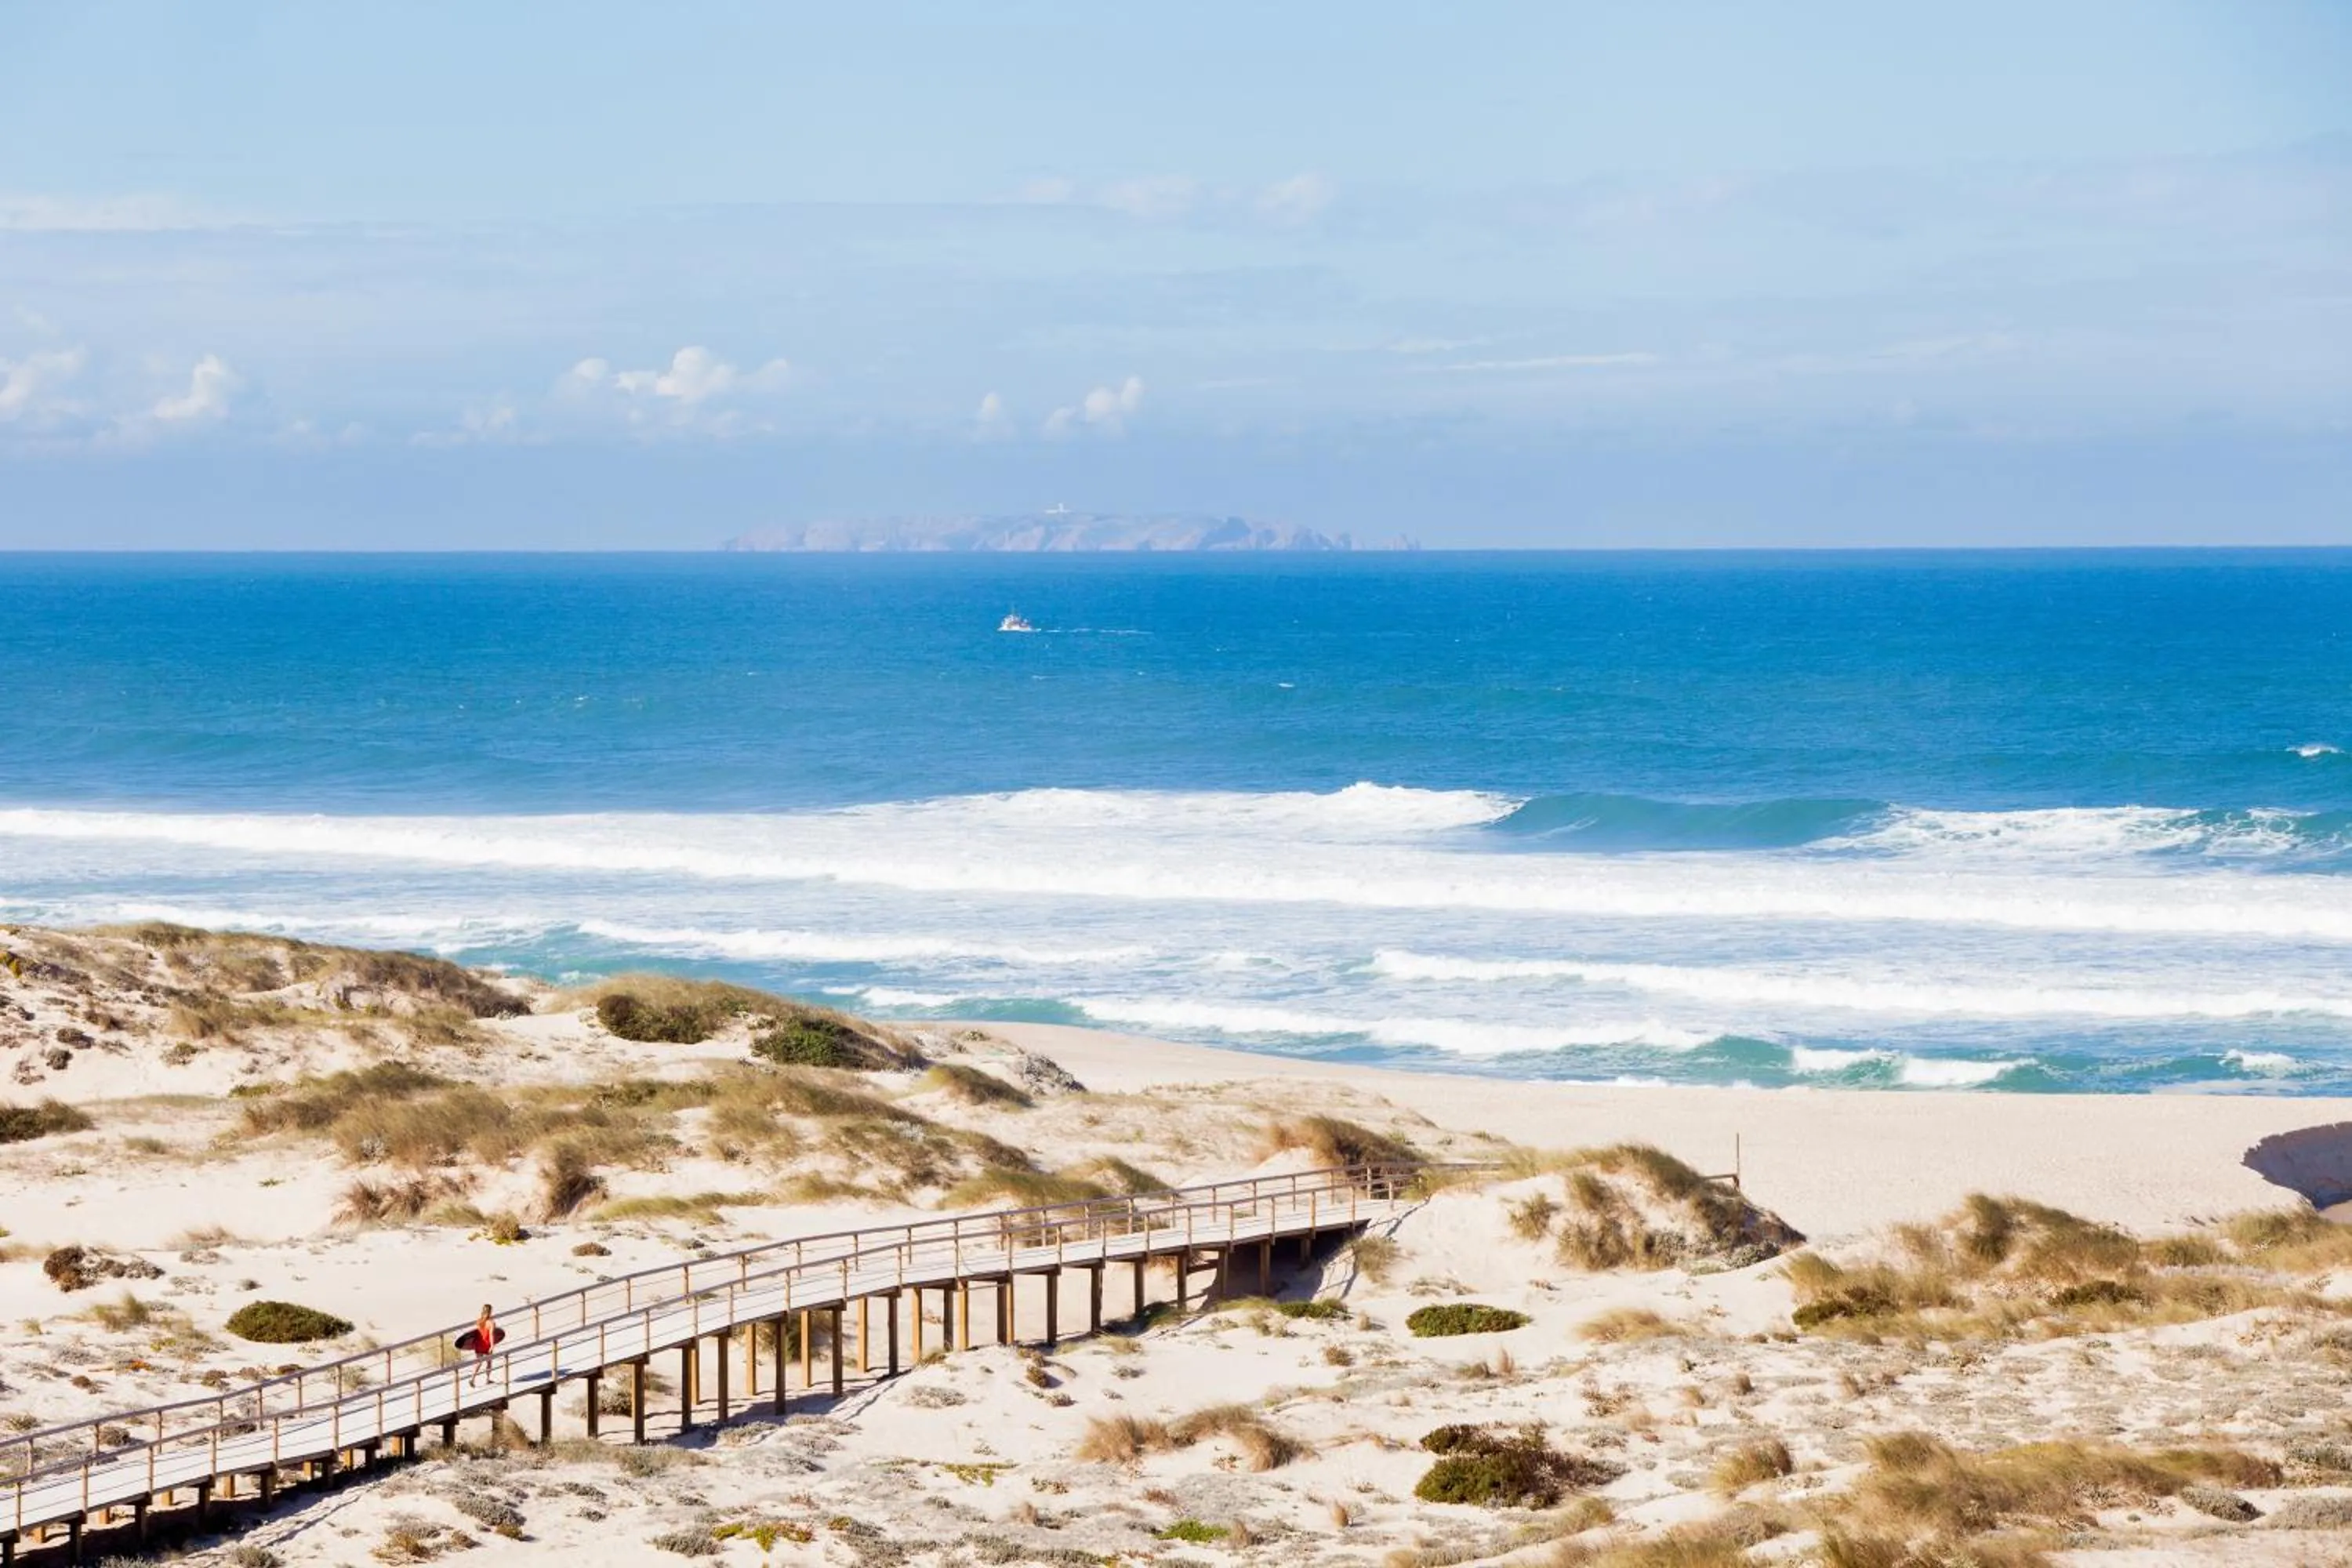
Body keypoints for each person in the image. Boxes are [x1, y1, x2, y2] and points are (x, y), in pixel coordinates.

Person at [469, 1302, 496, 1388]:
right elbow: (491, 1335)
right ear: (490, 1311)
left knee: (478, 1362)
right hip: (487, 1344)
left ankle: (472, 1379)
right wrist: (492, 1346)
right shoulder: (491, 1323)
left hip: (478, 1343)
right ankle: (487, 1379)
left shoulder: (478, 1321)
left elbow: (476, 1333)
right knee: (489, 1362)